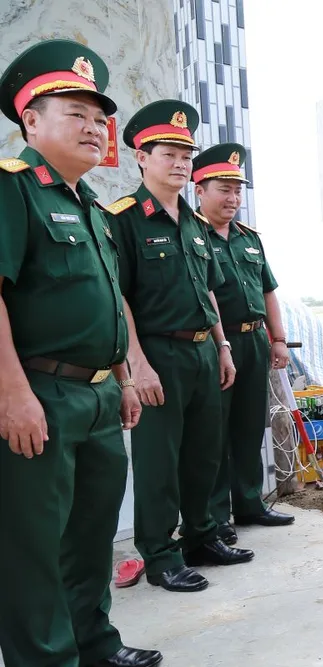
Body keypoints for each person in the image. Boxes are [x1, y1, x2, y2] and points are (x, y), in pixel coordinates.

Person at [0, 40, 161, 667]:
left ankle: (94, 645)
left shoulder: (90, 206)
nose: (95, 128)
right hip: (39, 394)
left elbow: (110, 300)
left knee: (90, 538)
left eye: (101, 118)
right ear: (30, 121)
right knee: (33, 547)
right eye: (77, 113)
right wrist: (12, 395)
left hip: (97, 396)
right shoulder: (14, 190)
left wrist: (123, 378)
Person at [106, 100, 253, 594]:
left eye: (186, 154)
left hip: (202, 352)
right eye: (167, 152)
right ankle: (160, 555)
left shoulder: (192, 222)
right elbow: (118, 295)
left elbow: (208, 289)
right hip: (157, 354)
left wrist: (223, 347)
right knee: (159, 462)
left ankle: (201, 537)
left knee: (203, 454)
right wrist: (137, 365)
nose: (180, 162)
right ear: (141, 158)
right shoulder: (124, 219)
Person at [192, 142, 294, 546]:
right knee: (215, 431)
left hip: (254, 341)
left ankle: (250, 502)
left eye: (237, 190)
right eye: (224, 189)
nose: (233, 198)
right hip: (218, 342)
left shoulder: (250, 238)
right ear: (199, 189)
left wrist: (279, 339)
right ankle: (217, 516)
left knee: (251, 425)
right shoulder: (193, 235)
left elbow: (269, 291)